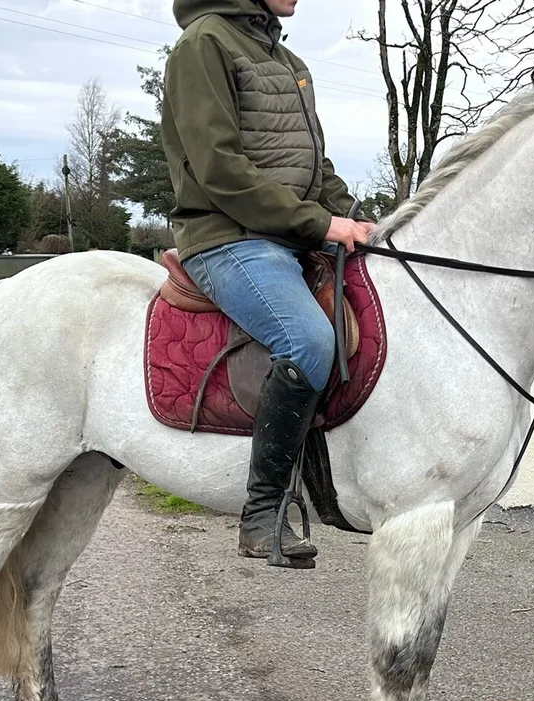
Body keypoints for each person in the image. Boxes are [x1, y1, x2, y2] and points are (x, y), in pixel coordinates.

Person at [162, 0, 374, 565]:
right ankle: (262, 513)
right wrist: (320, 224)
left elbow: (316, 170)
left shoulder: (286, 58)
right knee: (308, 341)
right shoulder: (203, 44)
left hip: (292, 235)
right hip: (229, 237)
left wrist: (359, 219)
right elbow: (221, 169)